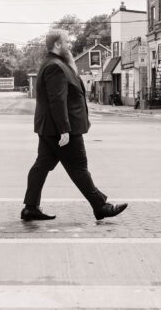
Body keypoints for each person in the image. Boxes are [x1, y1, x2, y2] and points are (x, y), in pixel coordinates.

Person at [22, 29, 127, 222]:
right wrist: (64, 129)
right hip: (61, 130)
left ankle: (30, 207)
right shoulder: (55, 66)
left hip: (51, 129)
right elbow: (57, 100)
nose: (70, 45)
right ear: (58, 45)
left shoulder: (58, 64)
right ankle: (100, 206)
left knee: (42, 165)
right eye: (67, 42)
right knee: (79, 167)